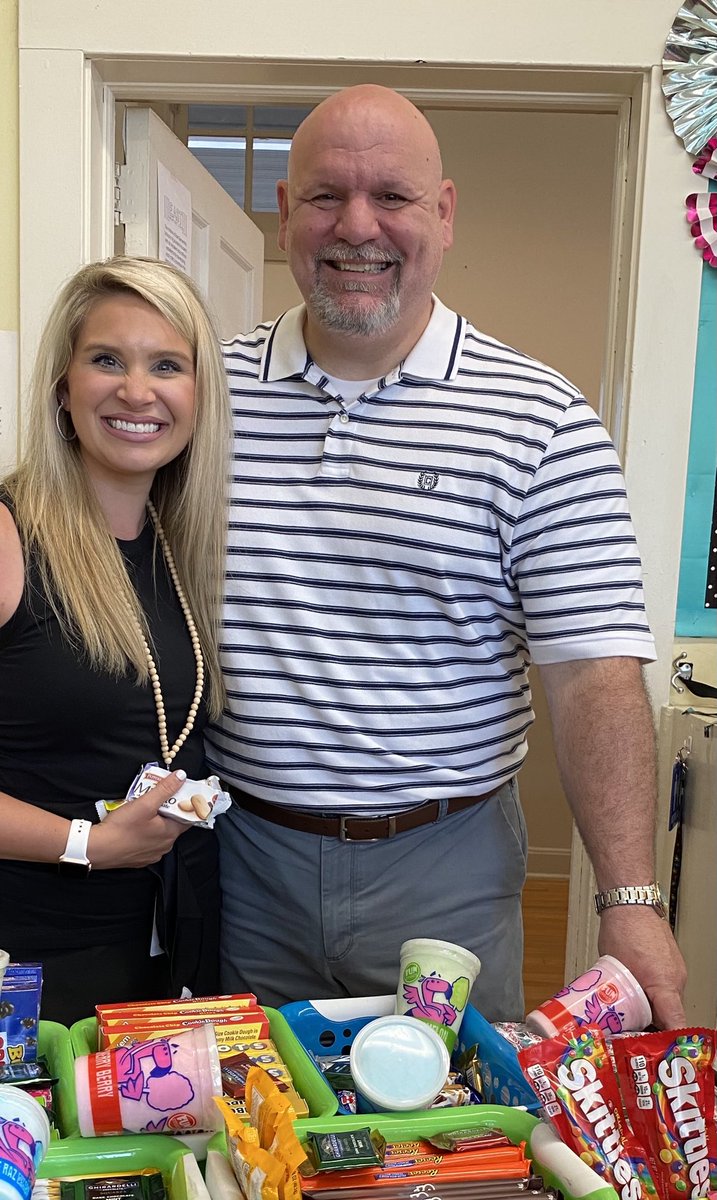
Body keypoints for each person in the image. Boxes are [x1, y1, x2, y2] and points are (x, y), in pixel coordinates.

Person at [207, 84, 687, 1028]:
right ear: (283, 213)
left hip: (443, 870)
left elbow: (594, 678)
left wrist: (629, 903)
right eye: (323, 197)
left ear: (444, 212)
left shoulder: (540, 422)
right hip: (237, 860)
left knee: (449, 1145)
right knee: (247, 1137)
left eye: (391, 195)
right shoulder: (204, 395)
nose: (357, 226)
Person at [0, 256, 230, 1025]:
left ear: (199, 396)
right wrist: (83, 844)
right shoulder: (9, 532)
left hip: (161, 953)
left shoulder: (175, 541)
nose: (137, 391)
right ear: (64, 387)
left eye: (167, 364)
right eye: (106, 360)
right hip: (28, 967)